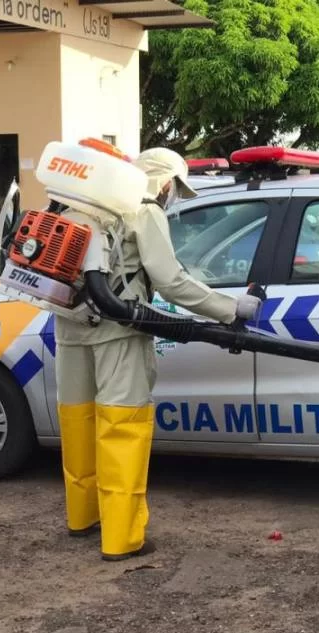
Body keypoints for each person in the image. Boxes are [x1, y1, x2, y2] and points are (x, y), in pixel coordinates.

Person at [54, 144, 262, 561]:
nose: (170, 197)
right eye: (173, 189)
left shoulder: (77, 205)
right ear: (165, 183)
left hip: (69, 328)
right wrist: (229, 308)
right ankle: (122, 539)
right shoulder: (140, 208)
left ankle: (83, 518)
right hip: (119, 331)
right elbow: (170, 280)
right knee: (122, 430)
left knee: (78, 425)